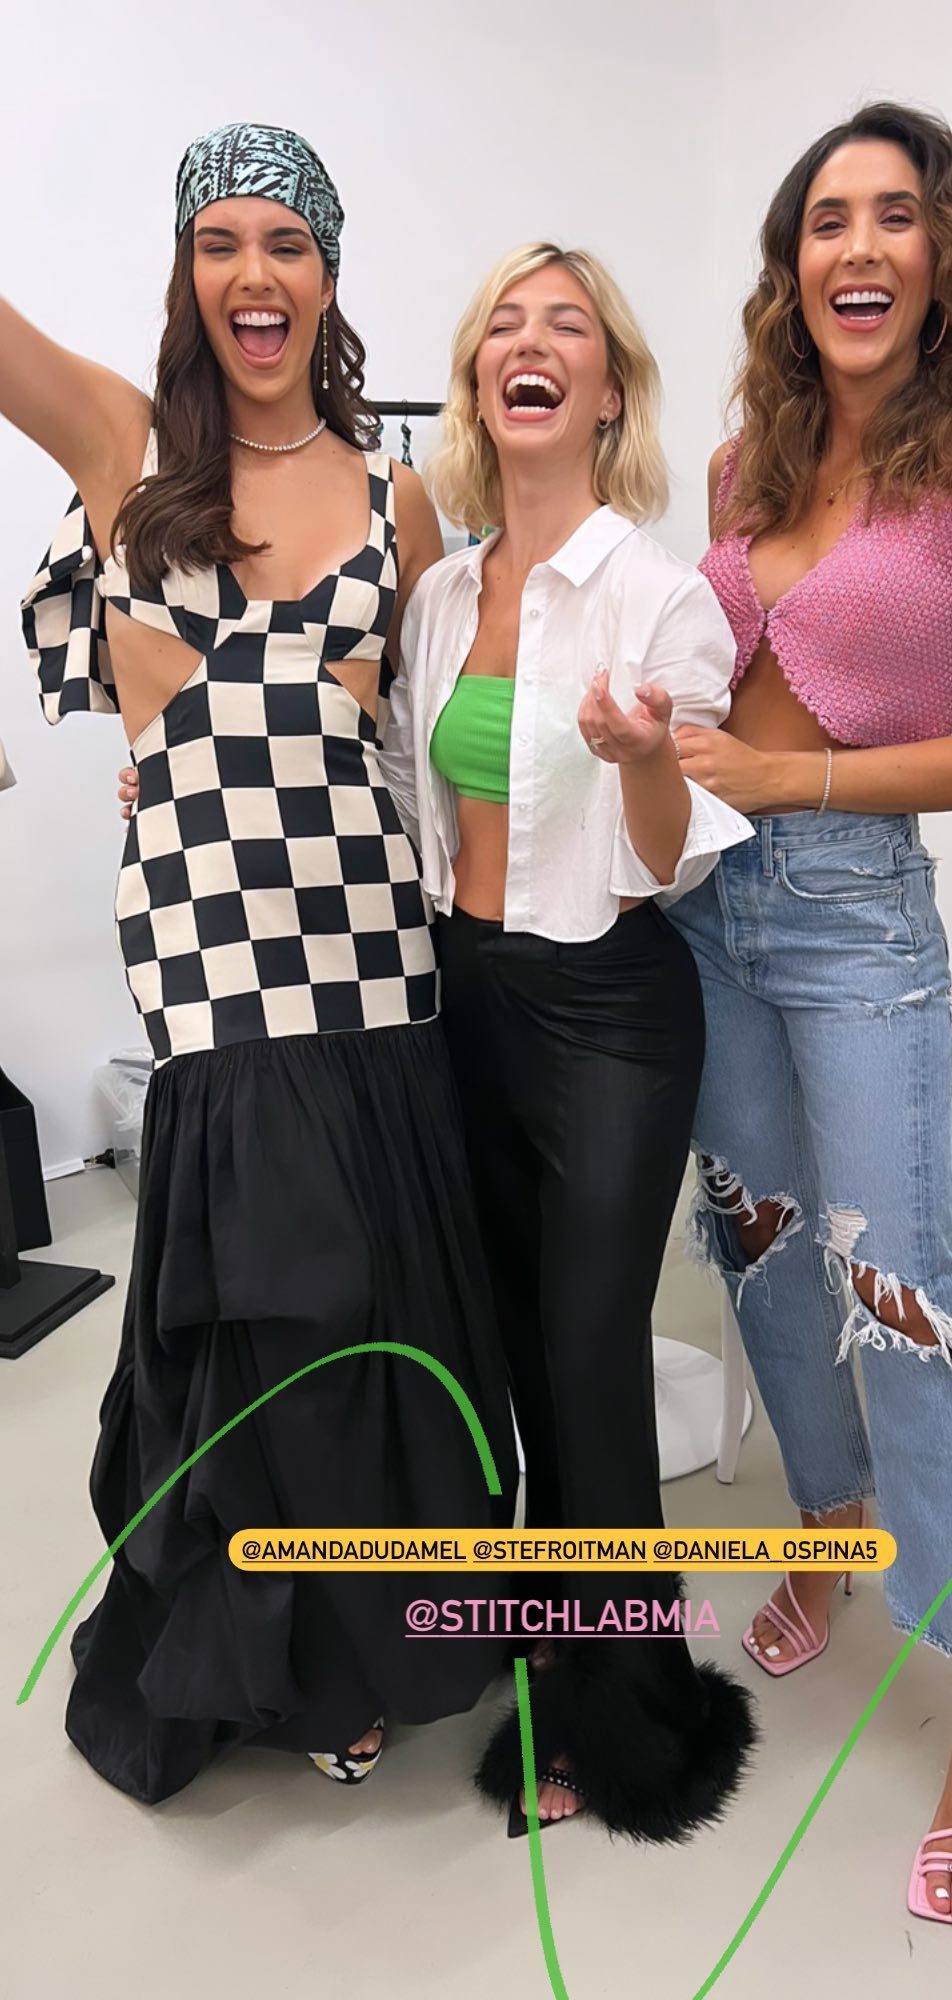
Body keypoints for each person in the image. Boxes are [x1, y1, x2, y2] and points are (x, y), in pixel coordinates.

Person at [10, 121, 517, 1804]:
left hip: (375, 952)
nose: (253, 272)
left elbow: (438, 747)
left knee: (373, 1314)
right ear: (187, 270)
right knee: (278, 1317)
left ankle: (370, 1649)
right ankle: (281, 1668)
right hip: (215, 965)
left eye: (285, 242)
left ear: (327, 272)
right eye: (219, 240)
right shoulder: (127, 445)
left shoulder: (396, 494)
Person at [668, 103, 952, 1925]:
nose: (856, 247)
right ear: (793, 262)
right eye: (825, 219)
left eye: (892, 217)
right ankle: (830, 1528)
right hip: (708, 909)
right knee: (756, 1247)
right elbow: (704, 692)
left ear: (938, 252)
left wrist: (792, 783)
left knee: (896, 1287)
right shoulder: (742, 460)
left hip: (850, 912)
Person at [379, 242, 757, 1842]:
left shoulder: (660, 597)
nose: (529, 345)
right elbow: (404, 801)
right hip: (466, 997)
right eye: (503, 327)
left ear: (607, 391)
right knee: (520, 1354)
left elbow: (669, 858)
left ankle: (628, 1722)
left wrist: (644, 756)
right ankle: (554, 1642)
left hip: (608, 1011)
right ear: (481, 381)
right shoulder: (441, 594)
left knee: (591, 1352)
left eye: (568, 327)